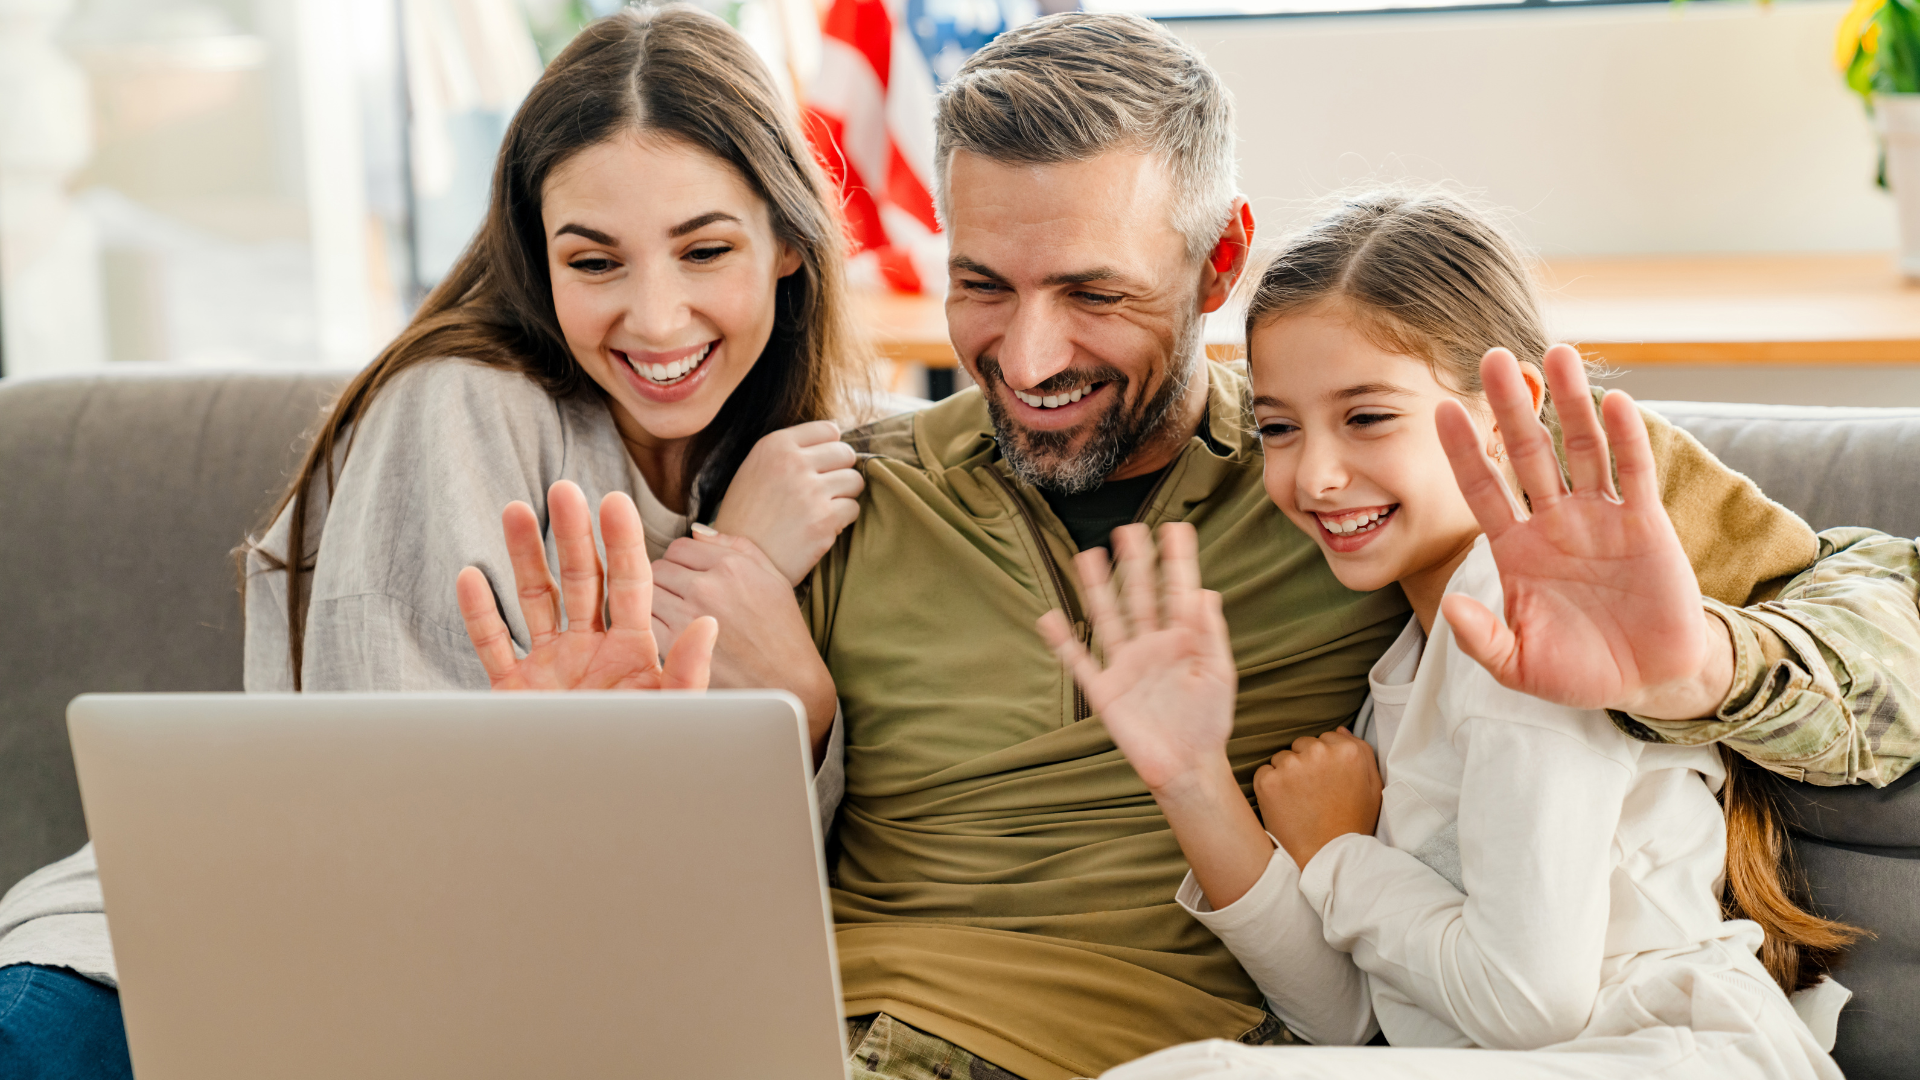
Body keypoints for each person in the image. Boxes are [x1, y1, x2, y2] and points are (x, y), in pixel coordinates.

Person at [531, 14, 1920, 1080]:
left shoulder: (1424, 469)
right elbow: (668, 891)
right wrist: (733, 722)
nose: (1026, 354)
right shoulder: (834, 493)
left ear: (1216, 263)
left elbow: (1886, 615)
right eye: (981, 286)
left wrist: (1711, 665)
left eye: (1093, 292)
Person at [0, 6, 863, 1075]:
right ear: (537, 261)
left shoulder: (809, 463)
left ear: (786, 239)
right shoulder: (459, 405)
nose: (656, 316)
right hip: (156, 986)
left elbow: (784, 909)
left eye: (706, 249)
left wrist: (802, 701)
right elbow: (399, 865)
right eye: (595, 262)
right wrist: (727, 569)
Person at [1050, 190, 1853, 1079]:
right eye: (1279, 427)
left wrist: (1339, 855)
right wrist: (1191, 778)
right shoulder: (1404, 663)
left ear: (1503, 415)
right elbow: (1349, 1019)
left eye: (1367, 417)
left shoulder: (1522, 613)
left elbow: (1525, 1003)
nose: (1316, 474)